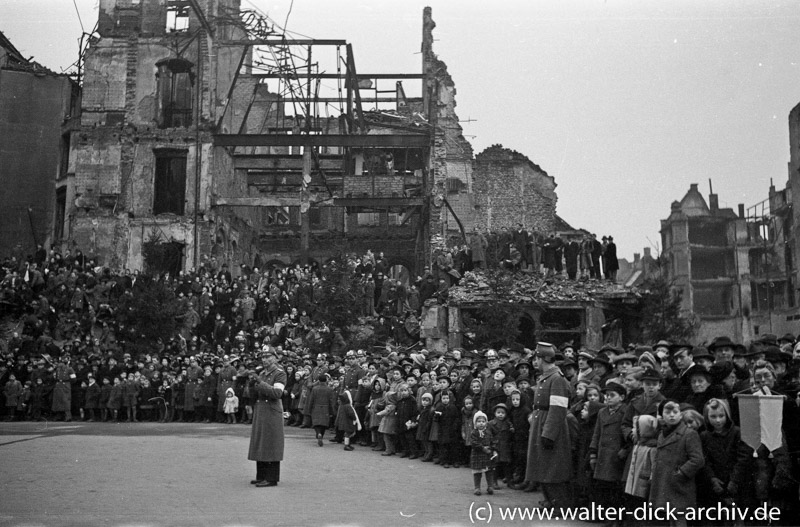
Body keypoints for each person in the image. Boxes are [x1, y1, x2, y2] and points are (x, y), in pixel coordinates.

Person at [523, 342, 573, 511]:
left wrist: (549, 433)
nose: (534, 362)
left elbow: (558, 409)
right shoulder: (546, 377)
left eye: (536, 358)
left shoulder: (556, 378)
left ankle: (560, 504)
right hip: (541, 423)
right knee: (542, 464)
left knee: (552, 467)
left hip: (550, 426)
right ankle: (549, 501)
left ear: (543, 358)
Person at [649, 399, 704, 527]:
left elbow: (698, 459)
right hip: (664, 481)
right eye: (667, 412)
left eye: (675, 412)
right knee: (671, 517)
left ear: (681, 414)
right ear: (662, 415)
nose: (672, 415)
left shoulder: (689, 434)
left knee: (679, 517)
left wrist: (681, 473)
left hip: (679, 484)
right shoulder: (662, 434)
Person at [248, 350, 286, 488]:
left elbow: (277, 393)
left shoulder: (280, 374)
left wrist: (259, 382)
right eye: (263, 357)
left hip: (271, 410)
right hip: (261, 410)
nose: (264, 359)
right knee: (261, 442)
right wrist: (251, 384)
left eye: (268, 357)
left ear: (276, 358)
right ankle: (261, 476)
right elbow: (255, 393)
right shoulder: (262, 374)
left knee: (271, 442)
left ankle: (271, 478)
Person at [470, 410, 496, 496]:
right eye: (479, 421)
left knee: (489, 471)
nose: (481, 423)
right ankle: (477, 487)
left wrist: (494, 449)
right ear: (475, 423)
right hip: (477, 454)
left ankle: (490, 486)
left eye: (483, 421)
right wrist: (482, 448)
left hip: (487, 455)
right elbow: (474, 443)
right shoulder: (474, 433)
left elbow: (492, 441)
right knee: (477, 472)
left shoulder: (488, 432)